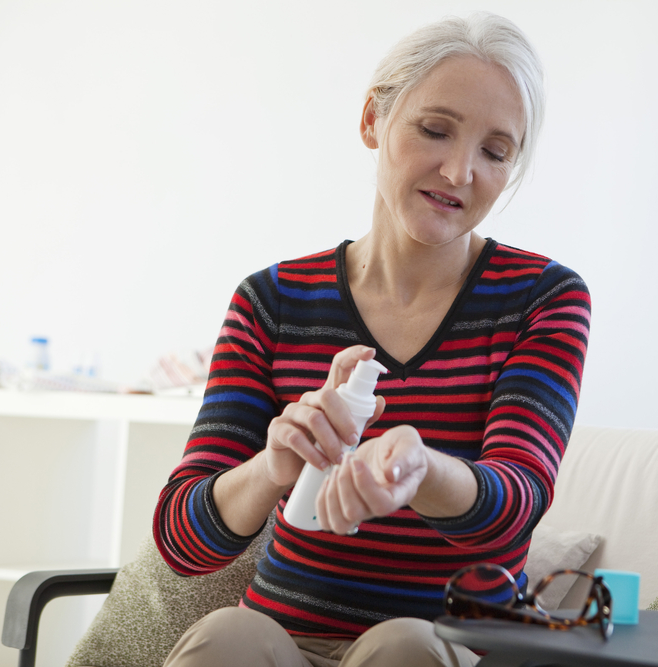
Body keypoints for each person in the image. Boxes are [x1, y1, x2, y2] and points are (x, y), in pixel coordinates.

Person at [156, 12, 590, 667]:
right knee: (229, 636)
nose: (457, 170)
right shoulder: (272, 301)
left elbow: (517, 501)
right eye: (435, 129)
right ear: (372, 122)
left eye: (494, 151)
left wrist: (419, 469)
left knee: (405, 644)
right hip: (278, 639)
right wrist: (274, 465)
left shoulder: (543, 298)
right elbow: (182, 542)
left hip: (446, 641)